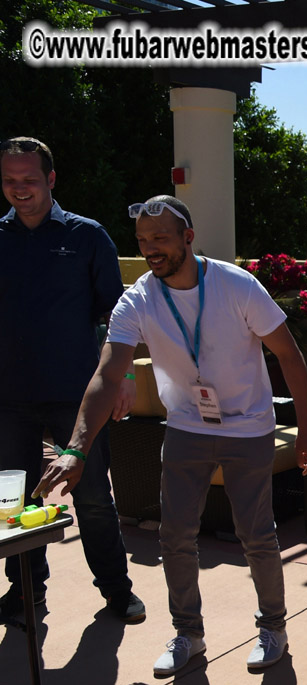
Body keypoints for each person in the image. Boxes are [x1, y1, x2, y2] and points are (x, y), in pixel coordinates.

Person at [35, 195, 307, 677]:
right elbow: (107, 374)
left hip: (248, 425)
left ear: (188, 237)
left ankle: (273, 627)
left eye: (161, 238)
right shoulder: (138, 299)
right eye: (143, 240)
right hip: (187, 424)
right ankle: (189, 633)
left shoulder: (236, 285)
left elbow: (289, 355)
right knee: (175, 535)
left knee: (256, 534)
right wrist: (75, 448)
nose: (150, 248)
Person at [0, 136, 144, 624]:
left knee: (93, 498)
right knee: (15, 502)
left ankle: (117, 590)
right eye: (9, 180)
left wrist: (125, 374)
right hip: (9, 397)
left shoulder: (88, 236)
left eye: (29, 179)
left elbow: (117, 315)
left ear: (51, 179)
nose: (19, 188)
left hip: (77, 394)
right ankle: (25, 591)